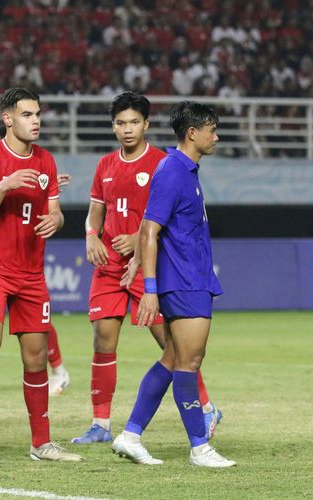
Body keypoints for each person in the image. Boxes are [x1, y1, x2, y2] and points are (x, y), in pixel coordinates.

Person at [71, 92, 221, 445]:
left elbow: (155, 225)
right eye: (121, 123)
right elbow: (96, 211)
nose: (127, 129)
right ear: (113, 127)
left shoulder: (162, 163)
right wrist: (92, 235)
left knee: (173, 345)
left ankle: (205, 406)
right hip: (109, 266)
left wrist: (134, 241)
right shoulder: (105, 165)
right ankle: (101, 424)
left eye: (134, 122)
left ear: (147, 124)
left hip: (147, 267)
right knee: (103, 340)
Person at [0, 87, 82, 465]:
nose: (36, 120)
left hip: (30, 273)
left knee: (36, 357)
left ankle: (41, 443)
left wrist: (55, 221)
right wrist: (4, 186)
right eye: (27, 114)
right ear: (7, 119)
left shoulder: (46, 161)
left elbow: (55, 211)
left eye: (38, 113)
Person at [112, 101, 236, 468]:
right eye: (211, 128)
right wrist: (150, 288)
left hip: (190, 277)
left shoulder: (185, 170)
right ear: (192, 133)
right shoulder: (173, 171)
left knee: (173, 358)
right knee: (189, 361)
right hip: (183, 281)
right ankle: (200, 446)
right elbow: (149, 230)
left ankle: (131, 435)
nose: (216, 135)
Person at [0, 124, 71, 397]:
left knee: (37, 325)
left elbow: (46, 210)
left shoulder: (35, 164)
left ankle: (58, 370)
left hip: (23, 263)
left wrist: (48, 186)